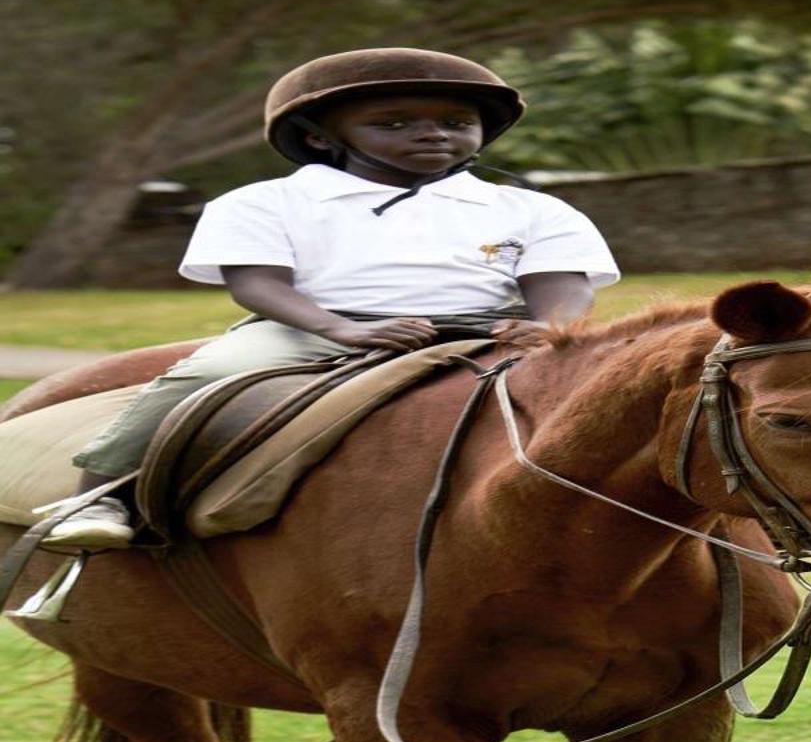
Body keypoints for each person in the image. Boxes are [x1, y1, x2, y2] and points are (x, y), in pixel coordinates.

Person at [46, 47, 620, 550]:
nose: (433, 134)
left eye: (455, 121)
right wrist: (340, 329)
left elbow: (561, 283)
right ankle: (100, 494)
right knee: (208, 375)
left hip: (491, 330)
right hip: (313, 329)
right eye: (393, 123)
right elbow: (257, 283)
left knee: (625, 388)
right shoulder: (265, 202)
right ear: (321, 136)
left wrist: (551, 326)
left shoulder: (530, 208)